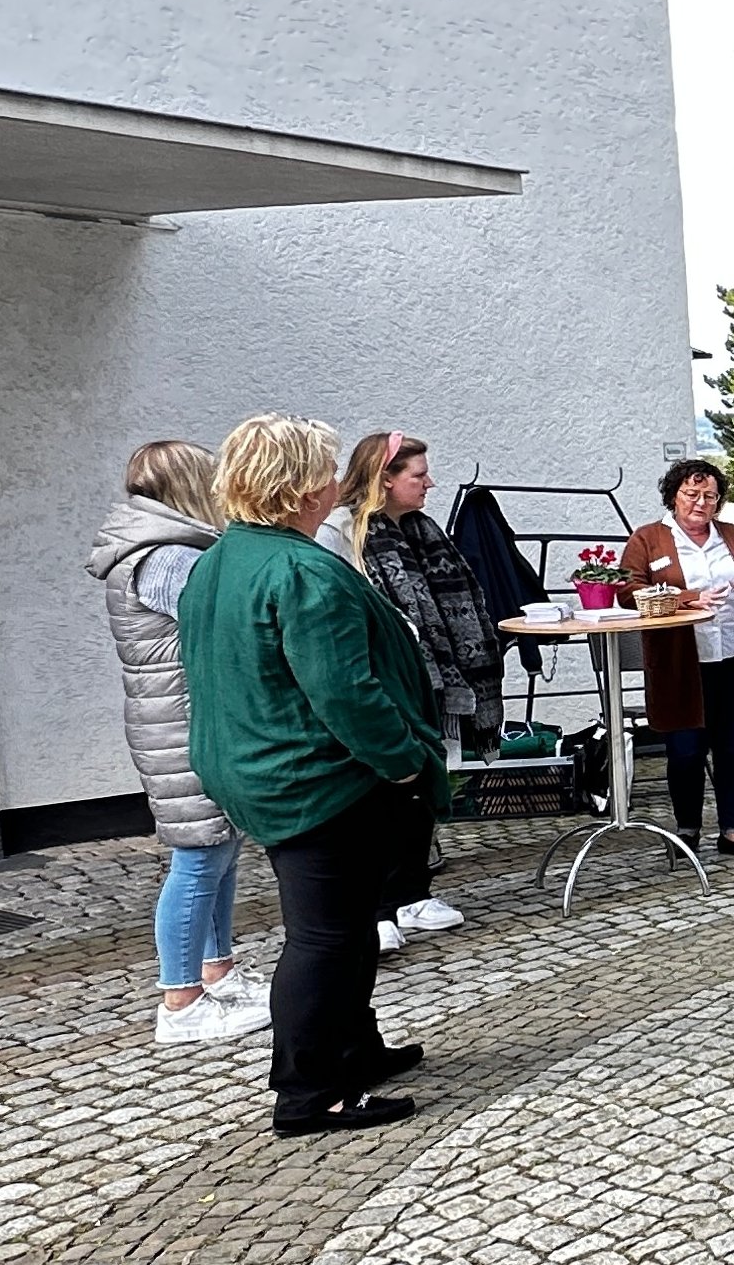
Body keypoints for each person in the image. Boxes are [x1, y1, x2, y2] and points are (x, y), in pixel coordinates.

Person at [181, 413, 439, 1137]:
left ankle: (355, 1050)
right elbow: (345, 691)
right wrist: (403, 762)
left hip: (263, 766)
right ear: (298, 488)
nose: (335, 482)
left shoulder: (222, 558)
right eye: (325, 470)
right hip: (315, 778)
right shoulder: (297, 569)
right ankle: (309, 1093)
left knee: (347, 929)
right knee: (325, 937)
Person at [85, 440, 270, 1045]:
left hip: (183, 722)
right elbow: (228, 626)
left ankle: (217, 973)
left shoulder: (163, 549)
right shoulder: (165, 558)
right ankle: (181, 1003)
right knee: (198, 860)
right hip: (184, 726)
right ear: (189, 487)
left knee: (219, 849)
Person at [336, 432, 491, 945]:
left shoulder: (423, 530)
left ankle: (412, 895)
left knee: (422, 786)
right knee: (383, 794)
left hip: (432, 679)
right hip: (385, 680)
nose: (430, 483)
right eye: (418, 475)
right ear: (384, 479)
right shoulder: (348, 532)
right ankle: (376, 909)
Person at [619, 458, 734, 859]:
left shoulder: (733, 536)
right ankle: (686, 831)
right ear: (674, 495)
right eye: (692, 494)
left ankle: (732, 833)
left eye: (710, 496)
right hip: (681, 666)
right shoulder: (648, 539)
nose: (701, 503)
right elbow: (627, 591)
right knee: (686, 751)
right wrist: (689, 598)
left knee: (733, 748)